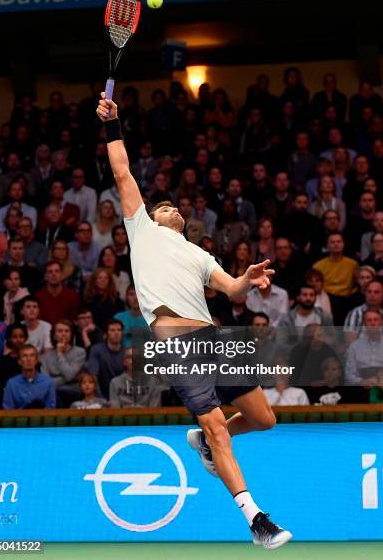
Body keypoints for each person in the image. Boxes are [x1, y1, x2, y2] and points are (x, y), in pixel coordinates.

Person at [97, 94, 291, 547]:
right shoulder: (140, 227)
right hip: (176, 345)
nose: (172, 208)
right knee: (216, 424)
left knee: (264, 419)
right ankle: (256, 518)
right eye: (165, 206)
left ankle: (204, 444)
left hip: (213, 339)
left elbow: (232, 290)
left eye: (174, 208)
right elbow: (123, 169)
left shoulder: (200, 253)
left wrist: (246, 277)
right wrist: (113, 123)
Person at [41, 319, 86, 407]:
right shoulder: (47, 357)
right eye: (60, 331)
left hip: (74, 392)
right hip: (53, 393)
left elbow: (69, 375)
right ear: (54, 336)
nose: (63, 334)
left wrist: (60, 353)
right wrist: (74, 378)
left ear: (71, 334)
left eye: (67, 331)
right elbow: (46, 383)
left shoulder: (79, 352)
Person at [3, 344, 56, 409]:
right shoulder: (11, 384)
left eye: (32, 355)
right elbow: (8, 410)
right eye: (25, 356)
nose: (28, 359)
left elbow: (51, 409)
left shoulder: (48, 382)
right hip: (18, 418)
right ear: (19, 361)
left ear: (36, 361)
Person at [86, 319, 125, 399]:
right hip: (102, 393)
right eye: (112, 330)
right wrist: (101, 398)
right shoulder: (96, 350)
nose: (116, 333)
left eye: (119, 330)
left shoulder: (127, 352)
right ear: (106, 334)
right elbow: (93, 377)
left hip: (123, 393)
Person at [345, 310, 383, 387]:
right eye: (369, 320)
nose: (372, 323)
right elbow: (349, 374)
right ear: (364, 324)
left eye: (376, 320)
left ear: (381, 322)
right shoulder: (354, 347)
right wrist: (361, 382)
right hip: (362, 385)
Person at [36, 261, 81, 326]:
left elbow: (75, 320)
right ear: (45, 276)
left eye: (57, 271)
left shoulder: (73, 295)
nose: (53, 274)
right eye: (50, 272)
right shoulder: (38, 296)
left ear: (62, 275)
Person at [0, 322, 26, 386]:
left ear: (25, 339)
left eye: (21, 336)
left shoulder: (30, 358)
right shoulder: (3, 361)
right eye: (15, 337)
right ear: (9, 339)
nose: (18, 340)